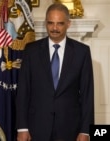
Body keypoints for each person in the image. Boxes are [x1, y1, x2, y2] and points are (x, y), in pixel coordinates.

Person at [16, 3, 94, 141]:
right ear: (46, 23)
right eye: (51, 23)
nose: (54, 28)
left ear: (68, 24)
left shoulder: (82, 52)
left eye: (60, 24)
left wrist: (86, 131)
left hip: (70, 129)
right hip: (37, 128)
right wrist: (22, 127)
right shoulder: (31, 51)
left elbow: (87, 95)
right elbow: (23, 91)